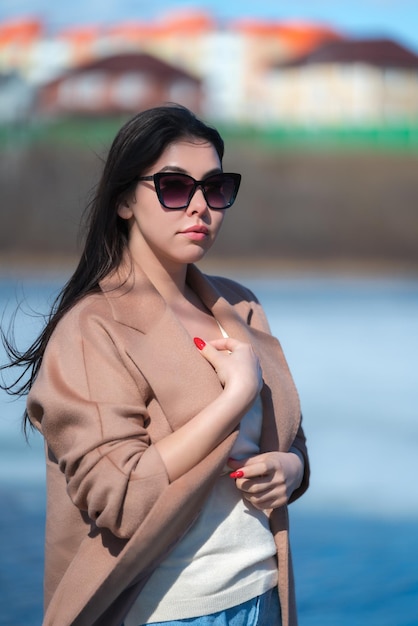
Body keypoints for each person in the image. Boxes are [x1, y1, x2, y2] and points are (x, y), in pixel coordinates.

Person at [1, 104, 309, 626]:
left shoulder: (241, 308)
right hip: (167, 611)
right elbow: (118, 495)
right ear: (124, 199)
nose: (199, 208)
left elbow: (290, 435)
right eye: (173, 187)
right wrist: (234, 398)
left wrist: (292, 470)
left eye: (215, 188)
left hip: (263, 595)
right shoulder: (93, 329)